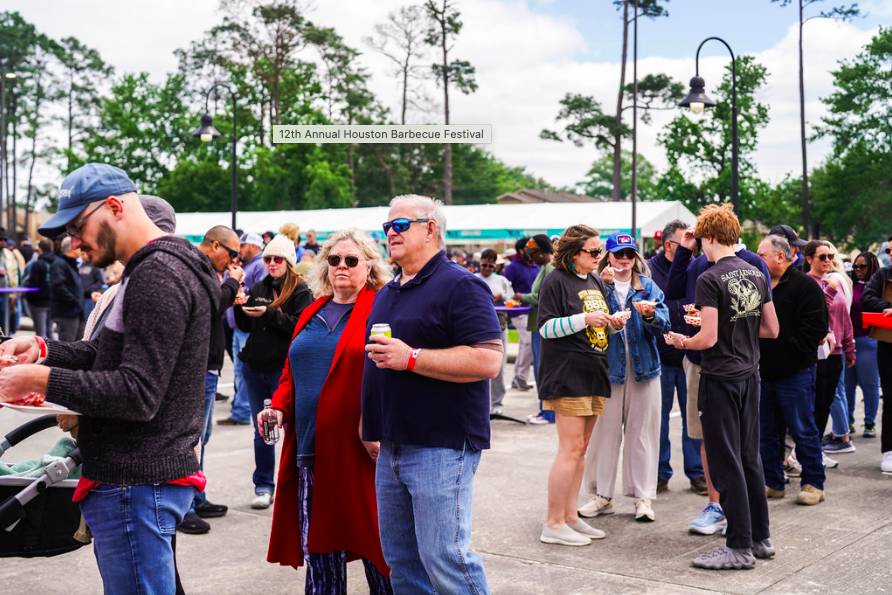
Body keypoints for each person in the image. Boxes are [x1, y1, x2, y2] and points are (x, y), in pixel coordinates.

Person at [0, 163, 220, 594]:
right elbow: (107, 354)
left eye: (79, 227)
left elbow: (137, 393)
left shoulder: (157, 274)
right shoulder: (158, 268)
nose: (75, 243)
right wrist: (44, 350)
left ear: (116, 206)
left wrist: (40, 381)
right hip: (140, 481)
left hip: (135, 482)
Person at [361, 194, 502, 593]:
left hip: (441, 445)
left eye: (400, 225)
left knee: (446, 559)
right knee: (402, 563)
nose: (390, 233)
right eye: (387, 226)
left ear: (431, 229)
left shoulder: (462, 285)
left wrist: (413, 357)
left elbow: (488, 360)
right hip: (391, 446)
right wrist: (367, 422)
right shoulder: (389, 292)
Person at [264, 229, 392, 594]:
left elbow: (390, 376)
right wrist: (277, 408)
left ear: (369, 266)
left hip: (360, 454)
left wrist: (379, 426)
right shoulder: (311, 312)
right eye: (334, 260)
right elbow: (291, 375)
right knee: (321, 555)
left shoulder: (380, 310)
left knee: (377, 552)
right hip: (310, 451)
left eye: (352, 260)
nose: (342, 267)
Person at [665, 203, 778, 570]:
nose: (700, 247)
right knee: (749, 457)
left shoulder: (710, 278)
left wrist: (682, 340)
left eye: (701, 240)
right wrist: (731, 327)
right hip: (750, 374)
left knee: (725, 459)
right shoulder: (756, 272)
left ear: (710, 237)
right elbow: (770, 329)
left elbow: (708, 338)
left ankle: (738, 546)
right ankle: (760, 539)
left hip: (721, 378)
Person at [536, 225, 625, 546]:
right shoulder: (555, 281)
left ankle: (570, 516)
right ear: (574, 254)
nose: (599, 257)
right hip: (567, 373)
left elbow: (597, 325)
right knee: (570, 449)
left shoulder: (595, 281)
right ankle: (554, 522)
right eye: (593, 252)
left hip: (593, 370)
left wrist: (613, 323)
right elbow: (545, 328)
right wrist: (585, 320)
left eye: (599, 251)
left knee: (581, 449)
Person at [581, 233, 670, 523]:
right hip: (608, 370)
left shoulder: (647, 286)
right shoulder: (597, 285)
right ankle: (602, 495)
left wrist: (648, 315)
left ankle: (643, 497)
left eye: (629, 254)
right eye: (618, 254)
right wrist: (604, 292)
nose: (623, 260)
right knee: (603, 435)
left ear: (636, 257)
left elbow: (665, 322)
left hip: (645, 370)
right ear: (608, 256)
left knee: (642, 435)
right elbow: (584, 321)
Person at [235, 233, 313, 508]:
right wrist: (240, 309)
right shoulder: (259, 286)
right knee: (263, 431)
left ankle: (295, 485)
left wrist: (269, 313)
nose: (271, 263)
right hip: (256, 367)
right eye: (267, 258)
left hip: (286, 371)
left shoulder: (301, 291)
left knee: (293, 430)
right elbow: (246, 329)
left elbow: (299, 328)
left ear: (289, 261)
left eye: (277, 258)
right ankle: (264, 485)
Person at [178, 225, 244, 535]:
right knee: (192, 441)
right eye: (232, 254)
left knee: (202, 439)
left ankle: (196, 497)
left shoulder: (202, 266)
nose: (233, 261)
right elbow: (213, 303)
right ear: (215, 246)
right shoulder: (199, 265)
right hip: (199, 366)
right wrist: (232, 283)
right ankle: (185, 506)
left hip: (208, 365)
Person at [756, 235, 828, 506]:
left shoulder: (805, 286)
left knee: (803, 429)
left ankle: (813, 483)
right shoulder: (759, 285)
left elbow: (817, 327)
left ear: (780, 257)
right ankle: (773, 481)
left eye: (761, 255)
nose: (757, 259)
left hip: (796, 372)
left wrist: (791, 351)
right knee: (766, 431)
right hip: (764, 372)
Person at [647, 220, 706, 495]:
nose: (692, 246)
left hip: (690, 352)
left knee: (692, 416)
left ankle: (696, 473)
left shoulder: (696, 265)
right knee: (658, 419)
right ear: (670, 245)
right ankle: (660, 472)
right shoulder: (648, 269)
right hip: (659, 355)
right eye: (687, 241)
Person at [803, 240, 855, 455]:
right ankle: (808, 452)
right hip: (816, 353)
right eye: (822, 257)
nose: (828, 261)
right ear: (809, 259)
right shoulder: (806, 283)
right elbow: (816, 313)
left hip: (836, 353)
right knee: (813, 405)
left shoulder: (833, 280)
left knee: (825, 404)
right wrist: (830, 291)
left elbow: (844, 316)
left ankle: (815, 451)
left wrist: (850, 347)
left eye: (830, 256)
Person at [219, 232, 266, 426]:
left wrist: (240, 289)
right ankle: (240, 408)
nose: (240, 249)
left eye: (243, 245)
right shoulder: (245, 266)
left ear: (254, 247)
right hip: (237, 326)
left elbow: (259, 293)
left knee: (244, 370)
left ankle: (242, 411)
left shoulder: (259, 266)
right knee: (239, 371)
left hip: (247, 326)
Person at [517, 235, 556, 424]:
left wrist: (521, 297)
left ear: (542, 252)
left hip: (542, 324)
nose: (531, 256)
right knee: (540, 368)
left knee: (543, 368)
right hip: (537, 323)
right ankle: (544, 411)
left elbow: (540, 297)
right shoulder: (543, 268)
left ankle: (548, 413)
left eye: (534, 253)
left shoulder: (549, 269)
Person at [861, 245, 892, 473]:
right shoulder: (882, 275)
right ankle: (889, 452)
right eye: (889, 251)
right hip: (888, 344)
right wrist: (889, 307)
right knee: (890, 399)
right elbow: (868, 298)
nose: (890, 254)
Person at [845, 251, 882, 438]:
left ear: (872, 266)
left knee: (870, 384)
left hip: (868, 339)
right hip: (849, 339)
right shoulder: (849, 284)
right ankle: (847, 421)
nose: (858, 270)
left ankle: (870, 422)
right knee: (847, 384)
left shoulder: (877, 287)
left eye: (862, 266)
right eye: (855, 266)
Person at [476, 248, 514, 415]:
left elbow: (512, 299)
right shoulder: (473, 279)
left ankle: (497, 402)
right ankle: (481, 403)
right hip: (477, 328)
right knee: (477, 368)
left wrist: (502, 297)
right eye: (484, 265)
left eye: (490, 266)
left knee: (498, 367)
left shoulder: (502, 280)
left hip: (499, 326)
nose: (487, 269)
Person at [503, 236, 538, 391]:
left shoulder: (535, 265)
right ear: (520, 250)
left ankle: (518, 376)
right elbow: (505, 287)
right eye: (528, 248)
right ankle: (520, 377)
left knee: (526, 343)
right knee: (528, 342)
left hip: (533, 311)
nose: (531, 251)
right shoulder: (512, 267)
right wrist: (512, 297)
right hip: (518, 311)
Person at [50, 236, 85, 341]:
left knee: (77, 344)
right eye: (79, 246)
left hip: (76, 311)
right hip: (67, 313)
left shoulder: (71, 264)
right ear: (72, 248)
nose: (81, 249)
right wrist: (74, 301)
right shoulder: (59, 264)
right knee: (67, 345)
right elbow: (58, 286)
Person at [23, 239, 55, 338]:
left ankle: (45, 353)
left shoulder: (37, 264)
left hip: (38, 303)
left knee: (41, 333)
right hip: (52, 301)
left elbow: (34, 284)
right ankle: (54, 352)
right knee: (49, 332)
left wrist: (27, 295)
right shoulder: (57, 263)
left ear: (40, 250)